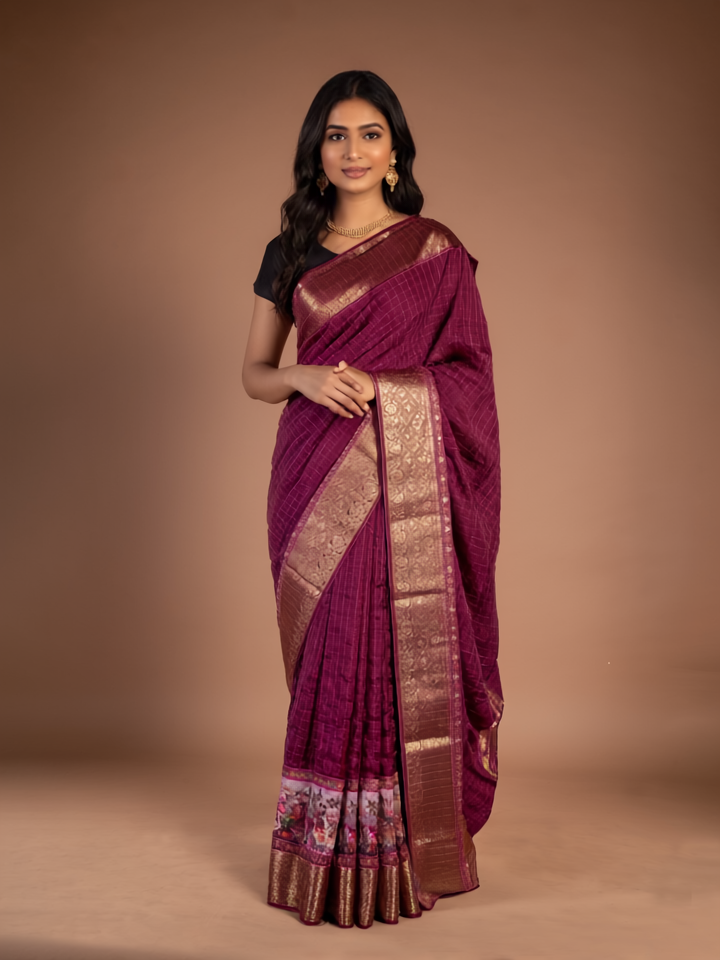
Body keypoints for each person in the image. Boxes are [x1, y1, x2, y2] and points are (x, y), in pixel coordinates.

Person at [242, 70, 502, 929]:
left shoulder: (433, 252)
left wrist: (393, 392)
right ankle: (320, 853)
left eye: (369, 135)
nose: (352, 151)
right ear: (317, 152)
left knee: (385, 640)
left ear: (396, 151)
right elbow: (254, 375)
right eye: (336, 136)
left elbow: (466, 377)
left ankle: (389, 855)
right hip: (311, 469)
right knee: (327, 653)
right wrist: (304, 376)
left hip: (398, 479)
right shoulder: (291, 251)